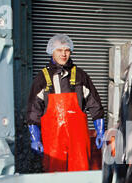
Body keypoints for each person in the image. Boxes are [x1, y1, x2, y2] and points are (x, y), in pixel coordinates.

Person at [26, 34, 105, 172]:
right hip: (53, 143)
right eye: (59, 50)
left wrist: (100, 132)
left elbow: (95, 105)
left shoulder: (81, 76)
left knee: (81, 176)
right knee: (54, 177)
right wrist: (35, 139)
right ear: (52, 52)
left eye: (67, 50)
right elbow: (34, 111)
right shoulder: (42, 79)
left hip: (78, 142)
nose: (63, 54)